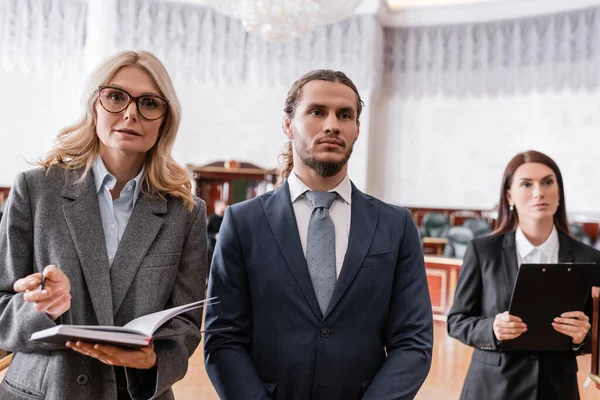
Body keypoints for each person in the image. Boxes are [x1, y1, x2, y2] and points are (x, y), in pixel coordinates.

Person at [203, 69, 433, 400]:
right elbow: (224, 337)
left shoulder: (395, 225)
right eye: (317, 112)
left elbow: (413, 341)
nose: (332, 125)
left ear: (356, 130)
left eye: (345, 115)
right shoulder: (243, 222)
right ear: (288, 124)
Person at [0, 50, 207, 400]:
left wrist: (153, 359)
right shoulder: (36, 190)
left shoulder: (185, 212)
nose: (130, 113)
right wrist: (39, 305)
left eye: (149, 103)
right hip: (44, 391)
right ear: (94, 106)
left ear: (164, 120)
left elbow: (186, 326)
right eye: (115, 97)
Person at [447, 150, 600, 400]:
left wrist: (582, 338)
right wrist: (492, 329)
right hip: (492, 389)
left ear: (559, 192)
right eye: (526, 184)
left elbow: (596, 334)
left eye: (548, 182)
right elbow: (457, 321)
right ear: (510, 195)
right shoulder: (483, 251)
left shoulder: (591, 258)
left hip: (557, 390)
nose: (539, 192)